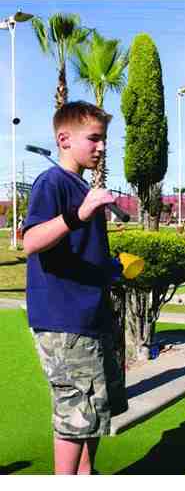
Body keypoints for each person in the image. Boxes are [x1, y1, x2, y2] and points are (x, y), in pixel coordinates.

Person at [22, 101, 123, 474]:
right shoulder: (52, 182)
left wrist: (112, 269)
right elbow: (31, 241)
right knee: (75, 415)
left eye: (104, 139)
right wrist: (78, 214)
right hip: (65, 320)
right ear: (64, 140)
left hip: (93, 317)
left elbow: (80, 252)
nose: (102, 146)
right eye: (94, 138)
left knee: (93, 410)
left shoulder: (82, 186)